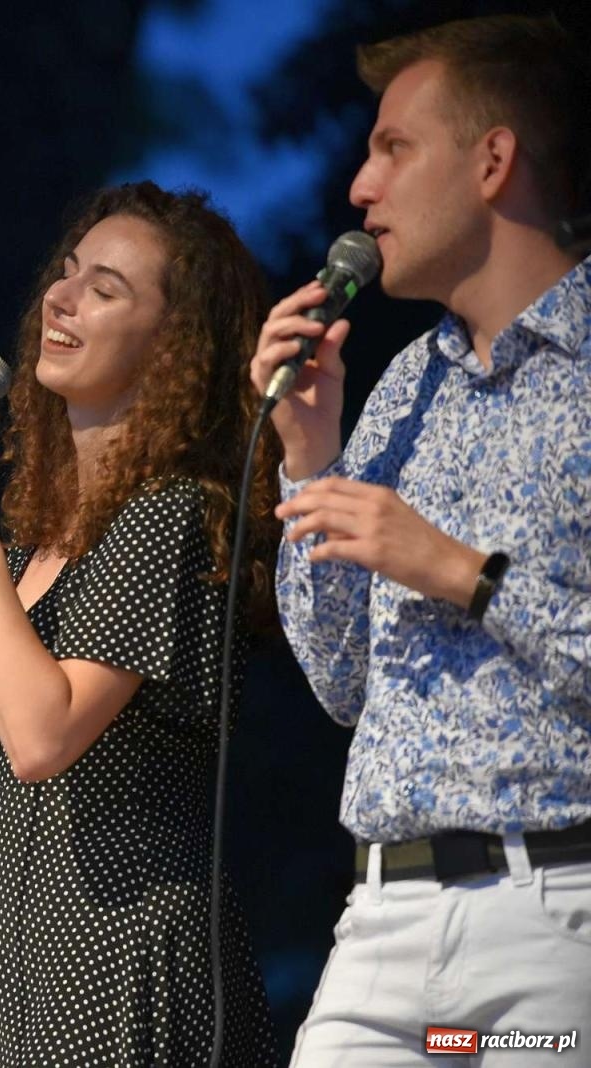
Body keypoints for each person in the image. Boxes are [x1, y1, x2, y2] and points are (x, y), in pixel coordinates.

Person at [248, 14, 591, 1064]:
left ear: (492, 161)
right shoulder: (405, 386)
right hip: (382, 924)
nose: (359, 186)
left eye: (393, 147)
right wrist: (309, 462)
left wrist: (458, 571)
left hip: (553, 918)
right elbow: (343, 683)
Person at [0, 181, 279, 1067]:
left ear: (173, 344)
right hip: (34, 976)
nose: (60, 299)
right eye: (66, 275)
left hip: (126, 969)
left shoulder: (169, 514)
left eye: (106, 289)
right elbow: (15, 797)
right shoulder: (45, 538)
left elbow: (40, 736)